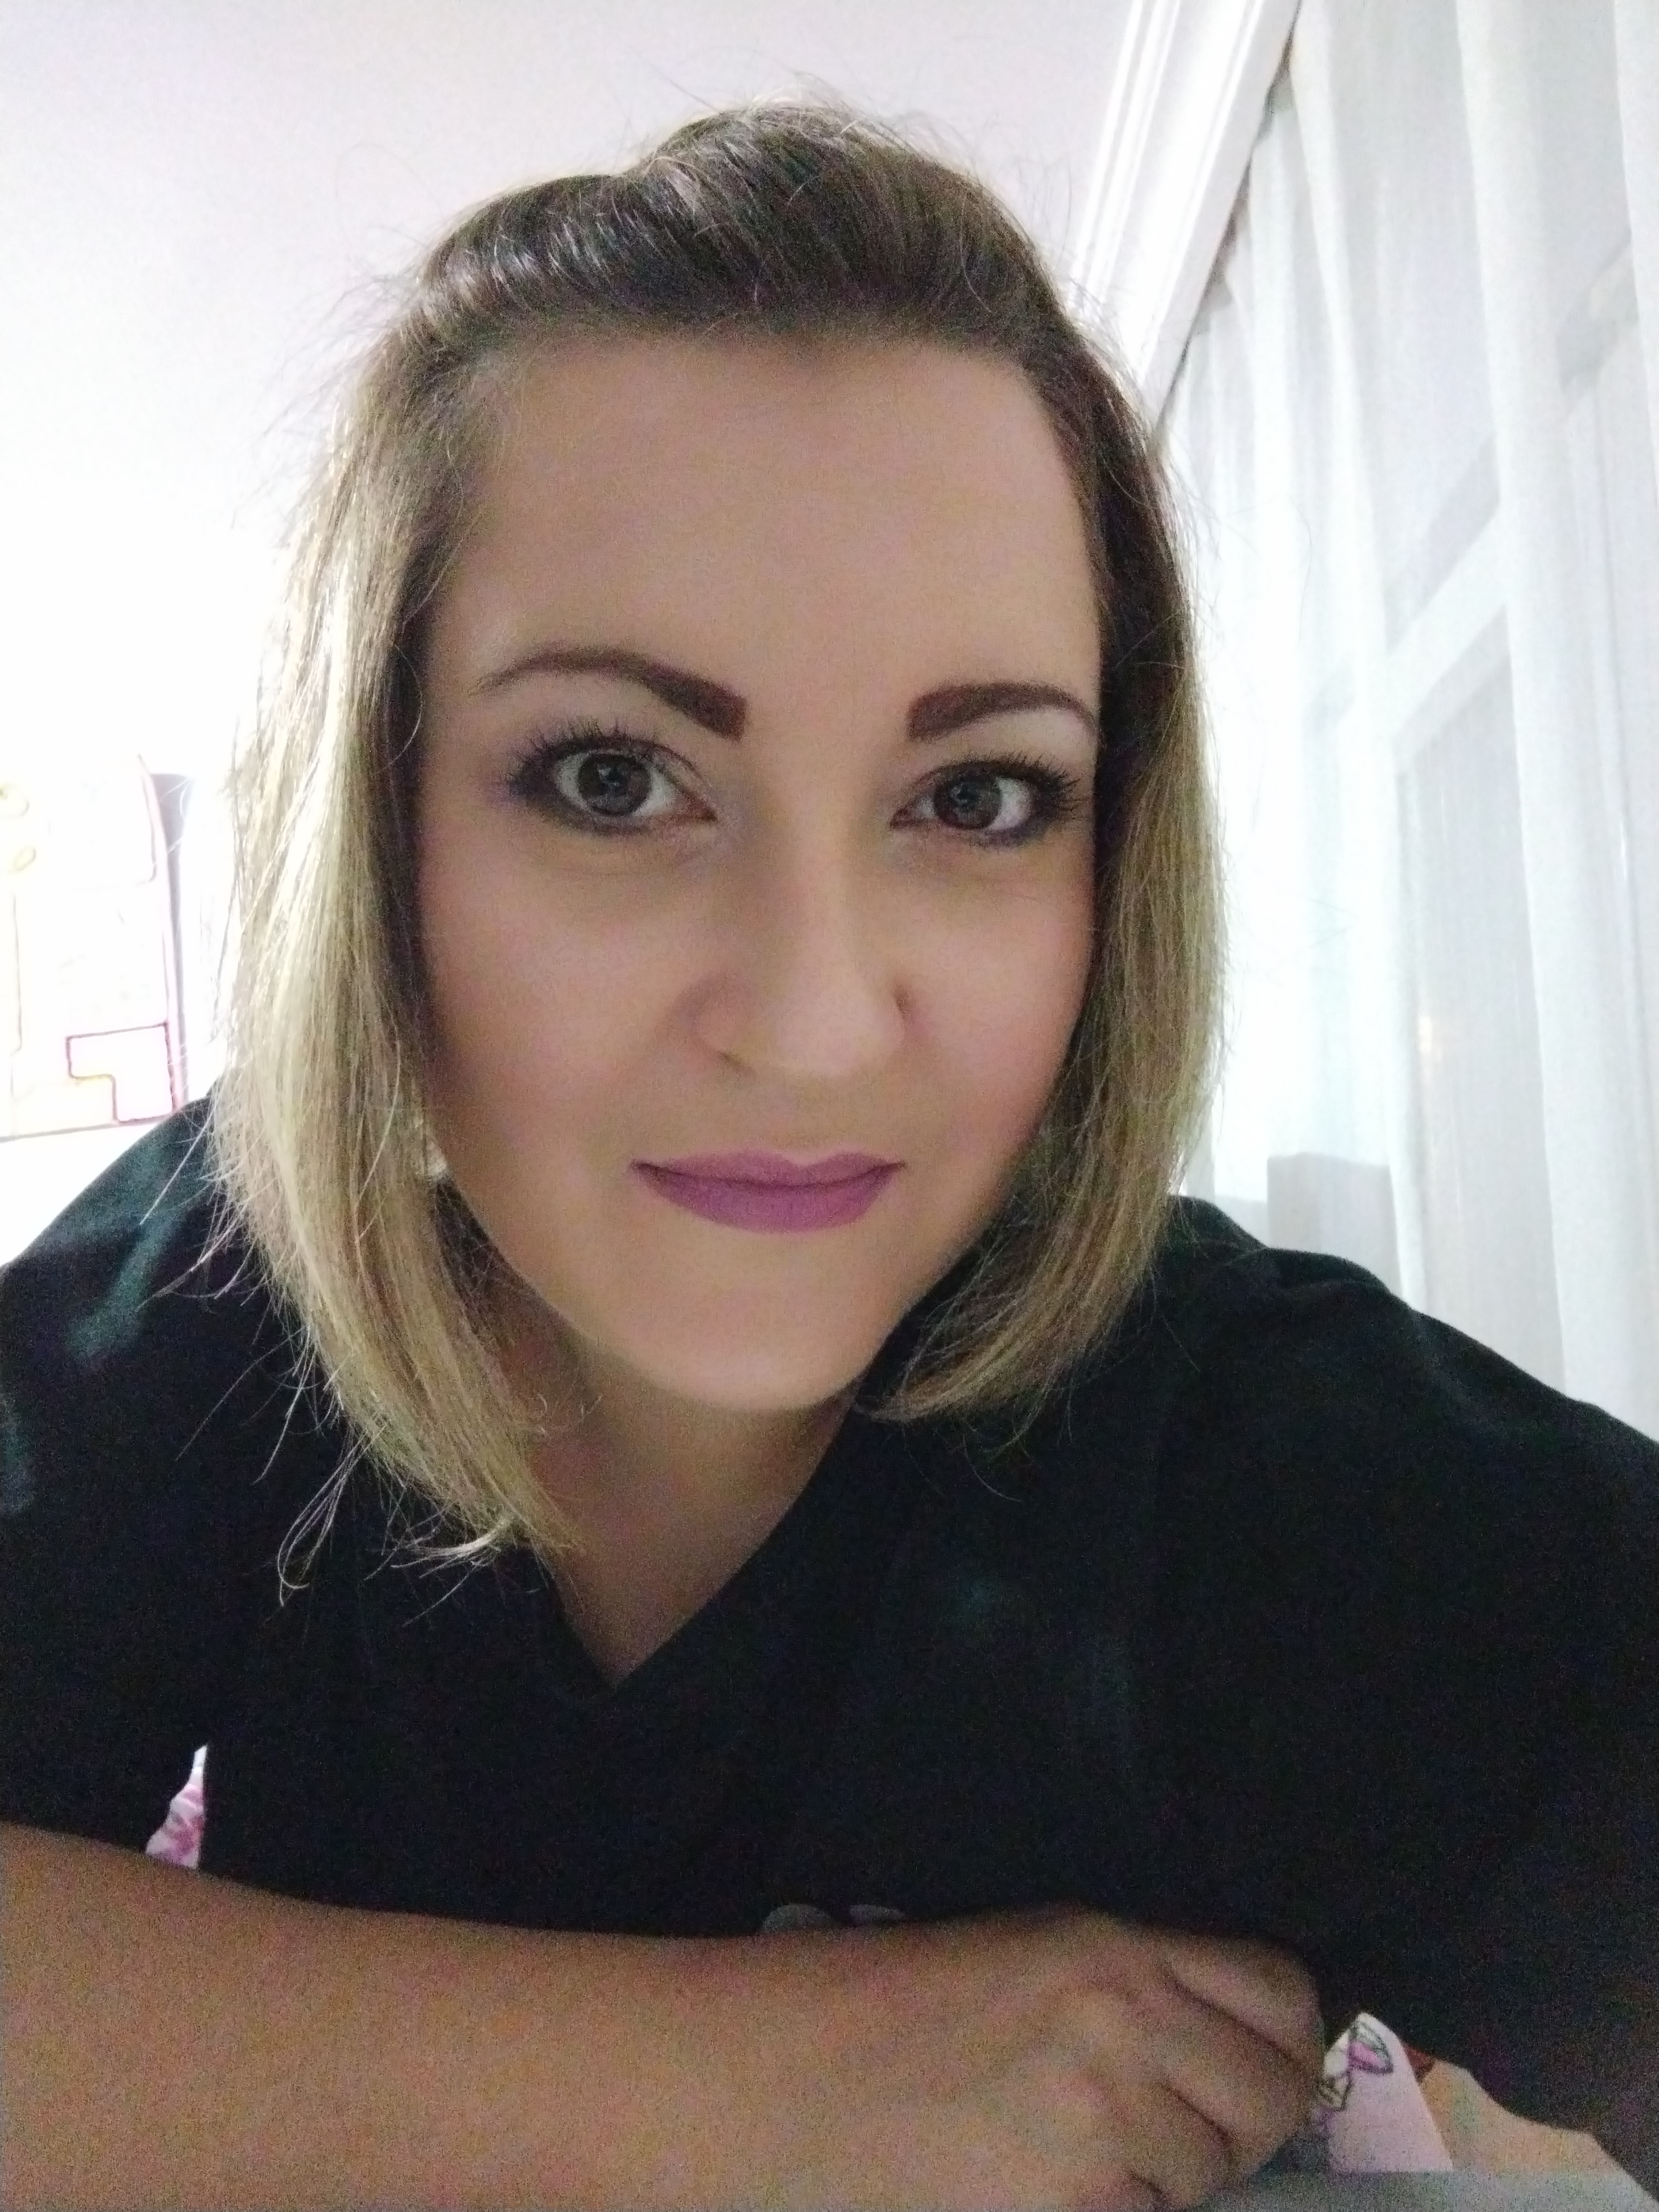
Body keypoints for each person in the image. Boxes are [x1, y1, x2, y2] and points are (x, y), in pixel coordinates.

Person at [2, 101, 1656, 2211]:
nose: (810, 1023)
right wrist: (753, 2089)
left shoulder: (1269, 1466)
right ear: (384, 841)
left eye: (977, 799)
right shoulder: (224, 1281)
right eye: (615, 779)